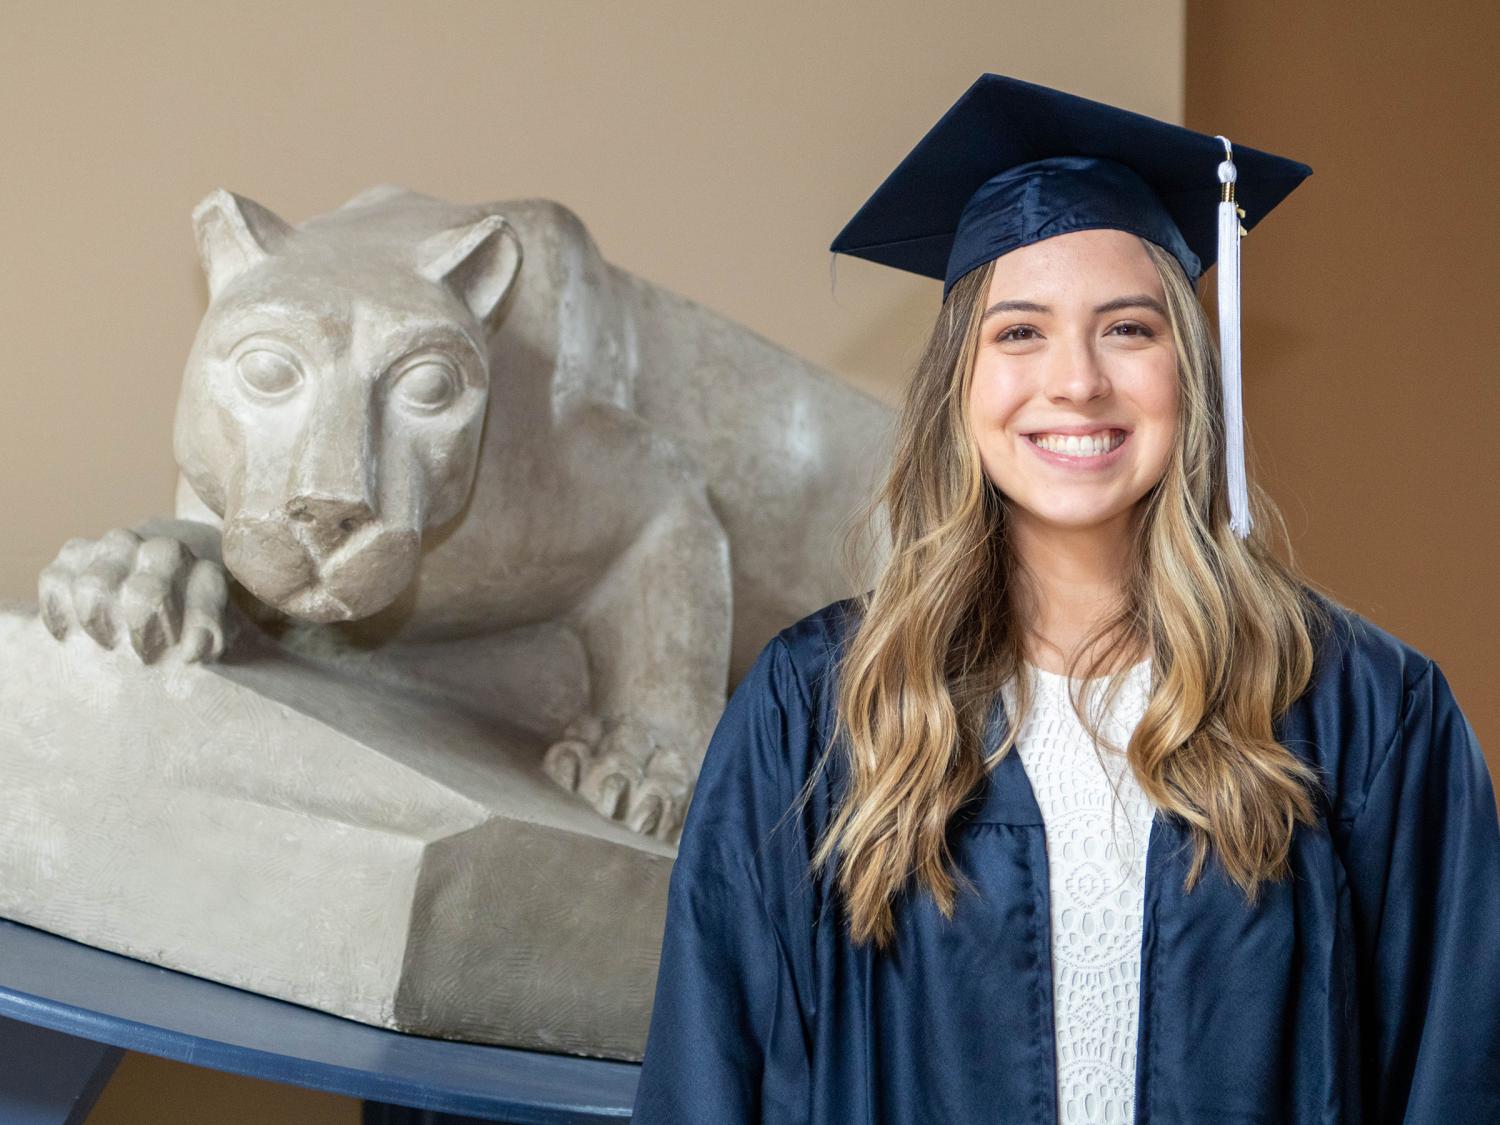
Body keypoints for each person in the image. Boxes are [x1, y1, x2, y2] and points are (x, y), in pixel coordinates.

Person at [631, 73, 1500, 1124]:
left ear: (1190, 367)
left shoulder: (1363, 710)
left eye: (1129, 329)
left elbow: (1453, 1076)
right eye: (1021, 332)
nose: (1077, 380)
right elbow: (710, 1080)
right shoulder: (820, 708)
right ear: (960, 384)